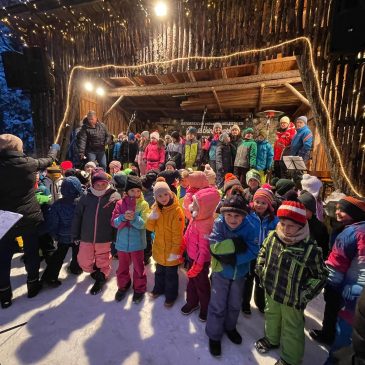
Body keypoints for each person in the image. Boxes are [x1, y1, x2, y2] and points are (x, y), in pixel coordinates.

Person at [255, 201, 328, 365]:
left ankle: (290, 359)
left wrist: (304, 294)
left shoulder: (309, 248)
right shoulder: (273, 236)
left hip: (292, 299)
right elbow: (263, 252)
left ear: (301, 226)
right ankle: (272, 339)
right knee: (271, 315)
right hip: (271, 289)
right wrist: (261, 268)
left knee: (292, 328)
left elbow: (321, 275)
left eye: (291, 226)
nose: (286, 229)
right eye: (282, 223)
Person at [0, 134, 59, 308]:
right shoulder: (28, 164)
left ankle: (4, 294)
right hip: (28, 217)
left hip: (4, 219)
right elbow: (49, 160)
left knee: (3, 257)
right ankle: (33, 285)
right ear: (18, 147)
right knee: (32, 251)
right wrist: (54, 149)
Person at [206, 189, 260, 357]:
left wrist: (236, 260)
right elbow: (214, 245)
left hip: (239, 273)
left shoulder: (250, 227)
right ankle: (214, 335)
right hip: (221, 271)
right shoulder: (220, 224)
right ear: (224, 214)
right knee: (218, 304)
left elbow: (253, 249)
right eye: (229, 215)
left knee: (235, 303)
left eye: (237, 216)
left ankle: (230, 327)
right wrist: (234, 244)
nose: (233, 219)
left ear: (243, 216)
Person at [310, 197, 365, 346]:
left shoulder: (354, 232)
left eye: (343, 210)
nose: (338, 212)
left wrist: (333, 282)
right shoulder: (343, 227)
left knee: (335, 310)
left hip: (344, 283)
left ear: (355, 213)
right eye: (337, 209)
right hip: (343, 281)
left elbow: (344, 263)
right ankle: (330, 334)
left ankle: (330, 336)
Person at [72, 170, 120, 295]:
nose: (101, 187)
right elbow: (77, 216)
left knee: (103, 260)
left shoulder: (113, 197)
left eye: (103, 184)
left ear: (107, 183)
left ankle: (101, 276)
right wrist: (75, 234)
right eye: (98, 184)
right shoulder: (86, 197)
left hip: (104, 237)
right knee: (83, 260)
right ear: (93, 184)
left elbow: (116, 219)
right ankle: (94, 270)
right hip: (86, 236)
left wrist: (115, 237)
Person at [181, 172, 221, 322]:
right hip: (192, 256)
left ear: (204, 208)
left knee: (202, 284)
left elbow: (204, 248)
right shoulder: (197, 217)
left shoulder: (205, 223)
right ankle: (192, 302)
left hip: (201, 261)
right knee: (191, 281)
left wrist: (199, 263)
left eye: (195, 205)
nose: (191, 207)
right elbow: (189, 233)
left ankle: (205, 307)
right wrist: (182, 245)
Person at [146, 177, 185, 307]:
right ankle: (158, 288)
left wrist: (175, 251)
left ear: (170, 193)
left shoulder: (176, 211)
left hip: (171, 250)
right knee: (159, 272)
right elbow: (149, 228)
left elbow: (178, 235)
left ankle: (171, 295)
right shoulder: (156, 207)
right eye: (160, 196)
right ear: (156, 197)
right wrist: (152, 217)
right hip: (159, 247)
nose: (163, 198)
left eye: (165, 194)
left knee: (171, 275)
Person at [111, 175, 149, 304]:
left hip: (137, 243)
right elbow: (114, 222)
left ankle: (139, 288)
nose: (136, 193)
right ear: (126, 191)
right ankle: (123, 285)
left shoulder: (143, 204)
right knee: (122, 267)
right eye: (132, 190)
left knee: (138, 267)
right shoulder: (120, 204)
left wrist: (134, 219)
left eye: (138, 191)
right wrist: (122, 217)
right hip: (122, 244)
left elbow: (144, 223)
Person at [241, 188, 279, 315]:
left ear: (268, 204)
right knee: (248, 279)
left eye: (263, 203)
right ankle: (245, 302)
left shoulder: (274, 219)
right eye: (257, 201)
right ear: (253, 201)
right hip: (250, 254)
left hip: (265, 256)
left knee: (261, 280)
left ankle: (260, 302)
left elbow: (278, 234)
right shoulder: (248, 216)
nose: (259, 205)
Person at [41, 176, 83, 286]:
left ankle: (51, 277)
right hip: (77, 235)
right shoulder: (81, 203)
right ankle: (75, 268)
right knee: (77, 252)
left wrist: (54, 235)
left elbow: (53, 222)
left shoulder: (57, 204)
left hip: (63, 235)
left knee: (59, 257)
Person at [298, 190, 329, 258]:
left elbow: (324, 249)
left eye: (304, 209)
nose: (300, 211)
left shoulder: (320, 227)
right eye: (299, 208)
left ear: (311, 210)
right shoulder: (296, 223)